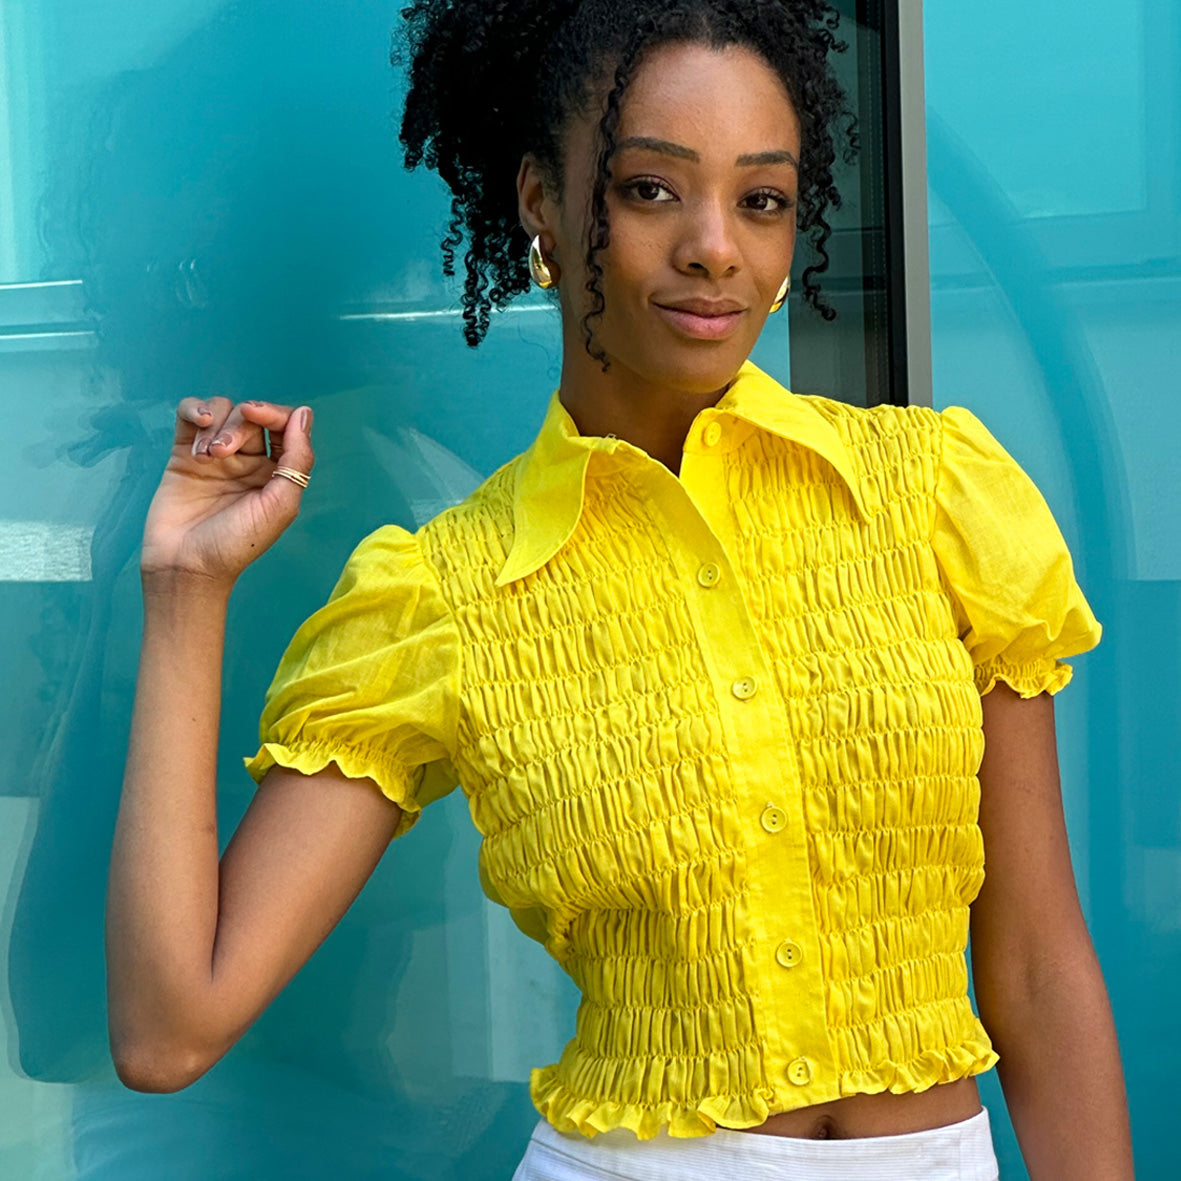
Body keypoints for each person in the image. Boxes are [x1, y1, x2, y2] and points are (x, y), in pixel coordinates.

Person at [106, 1, 1134, 1177]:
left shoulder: (931, 495)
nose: (714, 247)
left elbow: (1036, 965)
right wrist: (185, 590)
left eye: (761, 199)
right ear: (542, 199)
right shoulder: (443, 592)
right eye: (651, 188)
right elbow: (168, 1027)